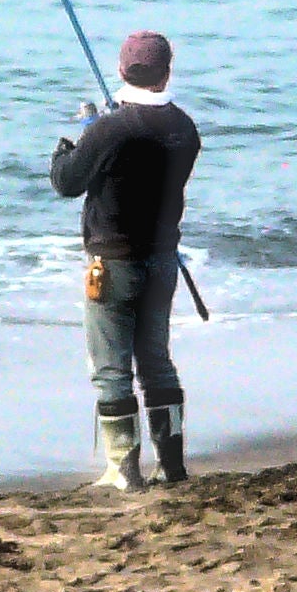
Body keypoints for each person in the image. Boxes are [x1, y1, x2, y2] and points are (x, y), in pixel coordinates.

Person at [49, 31, 200, 490]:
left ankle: (123, 469)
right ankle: (171, 467)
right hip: (161, 260)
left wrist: (71, 146)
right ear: (167, 72)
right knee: (156, 360)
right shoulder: (184, 128)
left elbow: (66, 182)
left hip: (111, 264)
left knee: (112, 367)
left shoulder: (111, 130)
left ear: (121, 71)